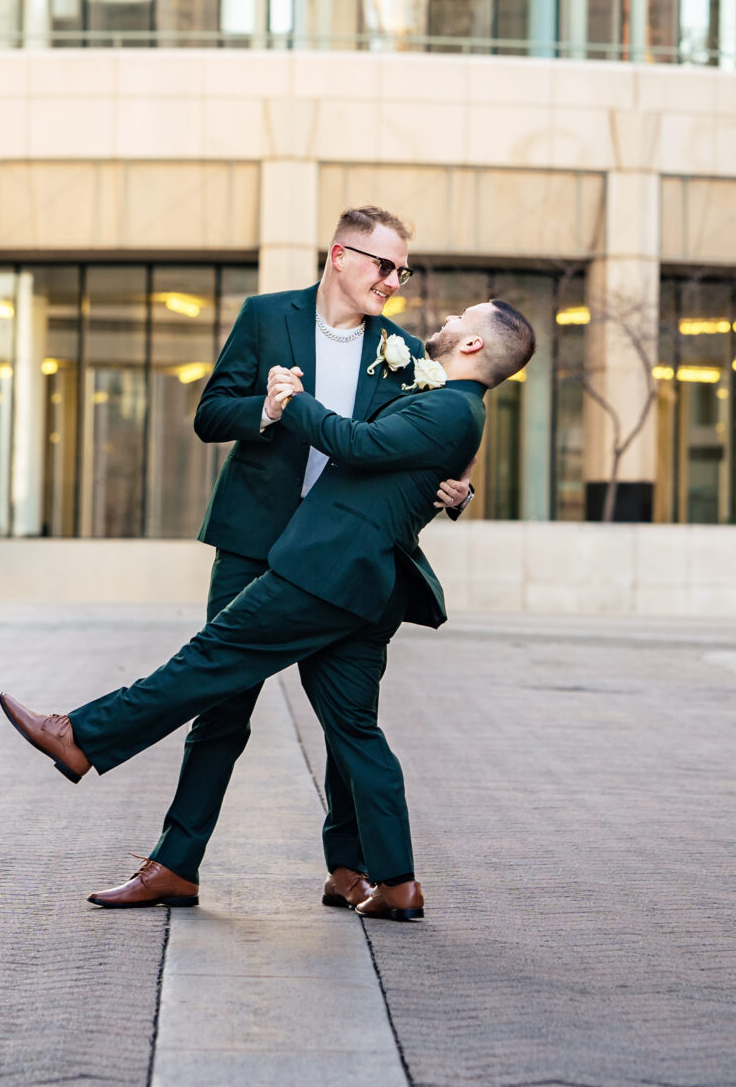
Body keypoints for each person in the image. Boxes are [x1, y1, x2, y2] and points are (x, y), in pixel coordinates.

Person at [0, 299, 538, 924]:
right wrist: (455, 479)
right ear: (345, 256)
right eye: (388, 268)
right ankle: (393, 880)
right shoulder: (441, 394)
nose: (440, 316)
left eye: (460, 320)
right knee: (354, 729)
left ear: (473, 348)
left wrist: (287, 399)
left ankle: (81, 737)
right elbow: (418, 455)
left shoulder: (446, 399)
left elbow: (359, 444)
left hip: (324, 570)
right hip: (355, 579)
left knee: (207, 663)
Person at [74, 207, 472, 914]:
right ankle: (175, 865)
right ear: (340, 255)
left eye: (401, 269)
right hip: (254, 540)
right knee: (219, 706)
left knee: (349, 715)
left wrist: (455, 489)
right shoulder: (266, 316)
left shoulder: (407, 352)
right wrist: (265, 407)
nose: (393, 281)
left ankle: (350, 867)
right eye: (384, 265)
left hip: (343, 557)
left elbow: (418, 449)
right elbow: (210, 413)